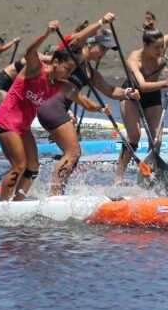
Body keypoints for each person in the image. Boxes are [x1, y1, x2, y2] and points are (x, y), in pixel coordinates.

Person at [0, 20, 108, 202]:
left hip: (22, 128)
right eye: (67, 69)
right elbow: (30, 51)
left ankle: (17, 203)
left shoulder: (60, 85)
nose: (68, 74)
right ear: (55, 61)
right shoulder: (35, 69)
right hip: (5, 121)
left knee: (33, 169)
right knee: (19, 165)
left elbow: (83, 100)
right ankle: (2, 207)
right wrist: (47, 33)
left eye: (72, 71)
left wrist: (100, 108)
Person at [37, 27, 140, 195]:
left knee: (73, 155)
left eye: (107, 49)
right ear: (90, 43)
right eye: (102, 47)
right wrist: (101, 23)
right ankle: (54, 196)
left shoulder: (91, 73)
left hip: (56, 109)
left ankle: (57, 193)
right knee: (73, 153)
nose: (104, 53)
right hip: (53, 107)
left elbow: (110, 91)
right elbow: (78, 38)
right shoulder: (74, 55)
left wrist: (128, 93)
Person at [114, 0, 168, 185]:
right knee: (134, 136)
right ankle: (118, 176)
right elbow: (142, 85)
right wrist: (165, 83)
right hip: (132, 95)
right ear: (145, 45)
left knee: (157, 140)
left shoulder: (162, 43)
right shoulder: (134, 59)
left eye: (162, 46)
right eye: (156, 48)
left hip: (152, 97)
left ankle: (148, 175)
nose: (161, 51)